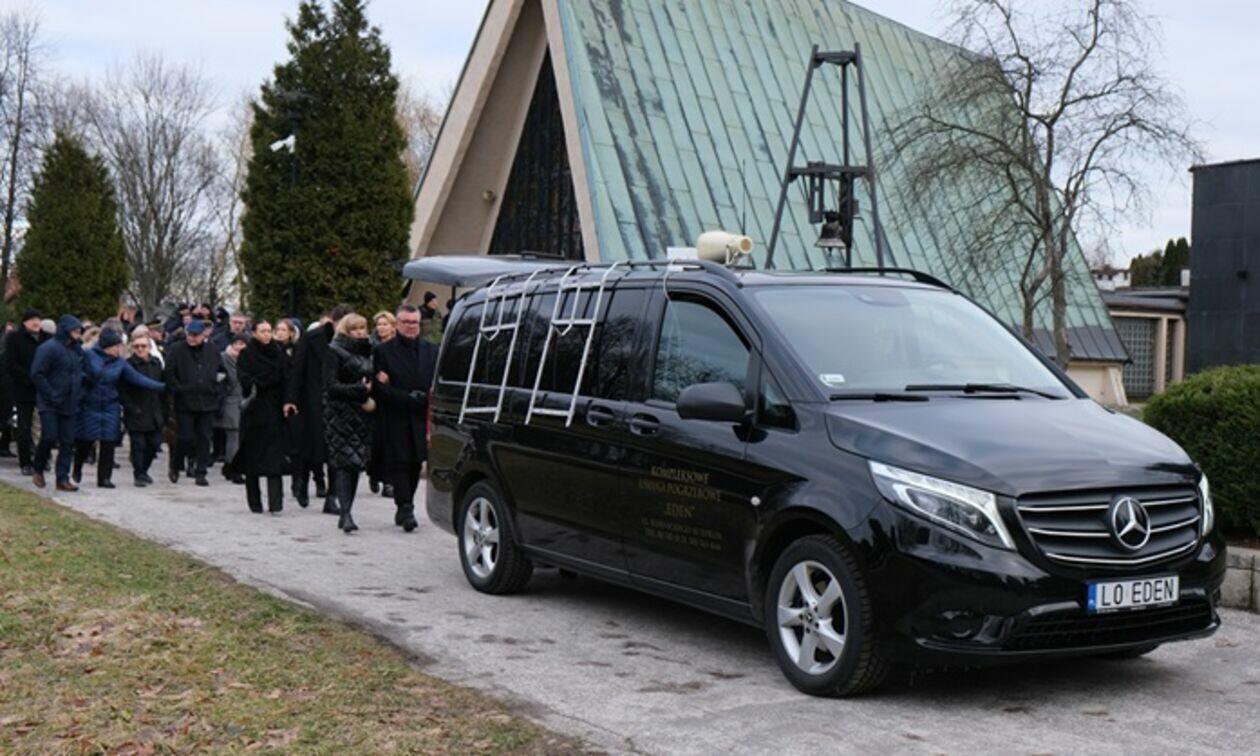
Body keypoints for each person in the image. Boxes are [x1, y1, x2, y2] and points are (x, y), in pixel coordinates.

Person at [372, 305, 438, 532]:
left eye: (415, 322)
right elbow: (379, 387)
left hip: (421, 415)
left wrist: (425, 399)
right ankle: (405, 507)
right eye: (406, 322)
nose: (411, 327)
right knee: (400, 461)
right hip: (396, 414)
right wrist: (406, 397)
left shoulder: (431, 350)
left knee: (415, 462)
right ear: (398, 324)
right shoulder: (384, 351)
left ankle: (406, 503)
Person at [73, 329, 165, 488]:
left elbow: (137, 378)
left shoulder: (120, 363)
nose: (119, 349)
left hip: (110, 405)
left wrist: (161, 386)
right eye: (116, 346)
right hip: (90, 404)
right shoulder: (88, 356)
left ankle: (104, 478)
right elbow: (77, 373)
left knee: (109, 441)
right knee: (86, 440)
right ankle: (78, 465)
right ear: (107, 347)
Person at [285, 303, 350, 512]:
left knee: (335, 452)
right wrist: (291, 399)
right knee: (311, 445)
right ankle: (303, 483)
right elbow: (297, 369)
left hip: (339, 401)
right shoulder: (313, 338)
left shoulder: (350, 341)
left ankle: (332, 496)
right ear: (334, 321)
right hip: (312, 398)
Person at [323, 314, 376, 533]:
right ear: (346, 330)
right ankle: (346, 514)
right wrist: (359, 389)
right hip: (340, 414)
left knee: (355, 464)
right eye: (355, 329)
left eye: (363, 327)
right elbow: (330, 386)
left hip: (361, 415)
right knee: (346, 462)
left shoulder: (368, 351)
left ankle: (347, 509)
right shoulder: (334, 351)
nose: (360, 332)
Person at [232, 320, 289, 513]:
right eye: (262, 331)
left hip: (274, 410)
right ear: (254, 333)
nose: (267, 334)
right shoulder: (247, 354)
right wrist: (267, 379)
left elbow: (286, 378)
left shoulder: (279, 353)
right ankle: (255, 503)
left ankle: (276, 503)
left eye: (269, 331)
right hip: (254, 412)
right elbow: (245, 381)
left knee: (274, 457)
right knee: (252, 458)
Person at [163, 319, 225, 486]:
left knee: (204, 438)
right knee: (185, 437)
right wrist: (178, 389)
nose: (192, 338)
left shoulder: (212, 349)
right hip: (185, 401)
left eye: (196, 335)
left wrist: (216, 389)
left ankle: (201, 472)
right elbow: (169, 373)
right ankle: (176, 465)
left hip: (207, 401)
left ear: (203, 335)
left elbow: (221, 372)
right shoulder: (177, 349)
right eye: (190, 334)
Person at [30, 315, 86, 491]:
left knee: (68, 441)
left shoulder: (76, 350)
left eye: (79, 331)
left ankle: (62, 478)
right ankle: (38, 468)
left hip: (69, 402)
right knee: (49, 436)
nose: (78, 333)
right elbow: (37, 373)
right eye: (75, 330)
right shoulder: (48, 348)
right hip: (50, 402)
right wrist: (51, 394)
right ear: (66, 330)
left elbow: (79, 372)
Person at [122, 333, 166, 487]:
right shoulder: (128, 365)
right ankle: (139, 473)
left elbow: (162, 386)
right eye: (136, 346)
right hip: (137, 410)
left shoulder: (156, 363)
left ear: (149, 347)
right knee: (138, 445)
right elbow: (123, 391)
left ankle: (144, 470)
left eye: (143, 346)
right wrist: (132, 408)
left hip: (154, 411)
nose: (140, 349)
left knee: (154, 444)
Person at [6, 308, 44, 475]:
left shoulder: (46, 338)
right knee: (24, 428)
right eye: (32, 319)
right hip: (23, 389)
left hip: (43, 389)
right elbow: (11, 363)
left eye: (38, 319)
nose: (36, 323)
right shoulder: (15, 338)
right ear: (24, 322)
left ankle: (42, 459)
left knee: (44, 428)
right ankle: (25, 462)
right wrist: (29, 378)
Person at [368, 311, 396, 497]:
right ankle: (374, 472)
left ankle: (388, 481)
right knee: (377, 440)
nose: (381, 327)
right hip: (376, 396)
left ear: (393, 327)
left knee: (391, 440)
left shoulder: (398, 346)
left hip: (394, 396)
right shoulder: (371, 346)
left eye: (385, 324)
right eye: (379, 324)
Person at [215, 334, 246, 481]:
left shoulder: (248, 360)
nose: (239, 347)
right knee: (234, 436)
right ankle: (233, 468)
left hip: (245, 402)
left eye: (243, 343)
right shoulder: (223, 359)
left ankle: (230, 466)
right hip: (229, 402)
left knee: (239, 437)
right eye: (237, 343)